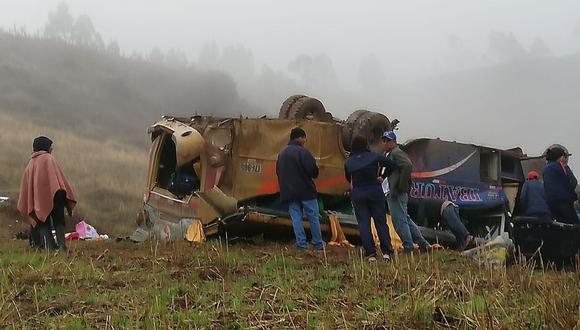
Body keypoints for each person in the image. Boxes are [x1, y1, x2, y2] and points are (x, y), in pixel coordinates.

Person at [17, 136, 76, 250]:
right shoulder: (48, 159)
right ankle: (62, 245)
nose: (51, 149)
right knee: (59, 219)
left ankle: (50, 247)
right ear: (46, 147)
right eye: (50, 147)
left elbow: (28, 189)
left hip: (38, 200)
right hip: (56, 196)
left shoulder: (30, 164)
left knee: (41, 221)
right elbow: (59, 180)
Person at [344, 136, 398, 261]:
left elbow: (348, 177)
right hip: (374, 190)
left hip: (358, 192)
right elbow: (392, 165)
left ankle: (370, 254)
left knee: (364, 223)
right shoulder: (374, 156)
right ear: (366, 145)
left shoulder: (349, 161)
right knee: (380, 222)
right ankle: (386, 253)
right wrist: (382, 176)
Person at [276, 128, 325, 251]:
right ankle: (318, 244)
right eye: (304, 138)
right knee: (313, 216)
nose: (305, 141)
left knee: (296, 218)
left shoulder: (282, 153)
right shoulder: (303, 152)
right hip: (306, 191)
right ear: (300, 138)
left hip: (289, 192)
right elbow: (313, 171)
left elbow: (278, 172)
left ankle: (301, 245)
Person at [381, 131, 431, 253]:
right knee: (405, 218)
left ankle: (408, 246)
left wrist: (401, 185)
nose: (385, 143)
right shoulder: (389, 154)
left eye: (388, 141)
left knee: (399, 220)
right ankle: (423, 243)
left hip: (396, 192)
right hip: (392, 191)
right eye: (384, 140)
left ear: (393, 141)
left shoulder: (396, 153)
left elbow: (407, 165)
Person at [408, 197, 474, 251]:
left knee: (454, 225)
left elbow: (421, 218)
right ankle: (462, 247)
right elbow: (432, 223)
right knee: (455, 230)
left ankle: (467, 236)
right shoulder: (429, 207)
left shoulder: (421, 202)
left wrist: (416, 226)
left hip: (445, 207)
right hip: (451, 207)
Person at [543, 146, 579, 224]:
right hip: (563, 201)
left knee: (561, 225)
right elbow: (571, 182)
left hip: (551, 202)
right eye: (564, 156)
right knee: (574, 225)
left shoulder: (546, 168)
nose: (565, 159)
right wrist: (573, 197)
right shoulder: (560, 166)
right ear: (559, 156)